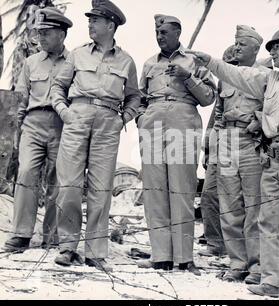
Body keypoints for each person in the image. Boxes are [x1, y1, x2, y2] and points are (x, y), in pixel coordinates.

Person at [187, 27, 279, 298]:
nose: (271, 53)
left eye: (276, 47)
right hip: (272, 159)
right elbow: (237, 74)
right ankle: (274, 281)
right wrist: (209, 61)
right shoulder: (270, 79)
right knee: (268, 222)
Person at [50, 0, 140, 272]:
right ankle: (67, 247)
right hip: (77, 118)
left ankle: (96, 252)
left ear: (110, 25)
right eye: (89, 20)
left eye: (95, 20)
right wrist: (65, 112)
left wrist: (122, 119)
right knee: (69, 186)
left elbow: (134, 96)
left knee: (101, 189)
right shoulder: (77, 55)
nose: (89, 23)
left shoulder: (126, 60)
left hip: (107, 125)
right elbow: (58, 86)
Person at [136, 14, 216, 275]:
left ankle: (184, 258)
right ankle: (160, 256)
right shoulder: (149, 63)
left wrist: (188, 77)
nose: (160, 37)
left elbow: (208, 99)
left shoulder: (195, 61)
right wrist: (141, 118)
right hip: (152, 123)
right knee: (154, 187)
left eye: (165, 33)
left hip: (183, 119)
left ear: (178, 33)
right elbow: (139, 97)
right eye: (157, 33)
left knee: (181, 188)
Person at [3, 7, 72, 252]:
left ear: (61, 35)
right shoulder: (31, 62)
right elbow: (22, 98)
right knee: (26, 175)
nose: (40, 38)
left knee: (58, 180)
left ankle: (51, 237)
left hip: (61, 124)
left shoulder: (74, 62)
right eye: (39, 33)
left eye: (46, 33)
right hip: (33, 123)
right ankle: (21, 234)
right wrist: (17, 130)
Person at [212, 26, 270, 284]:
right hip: (227, 141)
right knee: (229, 205)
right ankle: (237, 263)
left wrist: (259, 122)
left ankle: (257, 266)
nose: (236, 48)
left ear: (256, 48)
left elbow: (273, 109)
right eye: (235, 43)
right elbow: (218, 113)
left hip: (251, 143)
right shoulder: (225, 76)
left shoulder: (266, 76)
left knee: (254, 206)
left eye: (242, 44)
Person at [198, 45, 237, 259]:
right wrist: (207, 149)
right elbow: (215, 117)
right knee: (209, 196)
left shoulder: (252, 81)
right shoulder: (224, 84)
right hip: (219, 145)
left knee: (234, 199)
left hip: (240, 145)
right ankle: (215, 243)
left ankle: (236, 247)